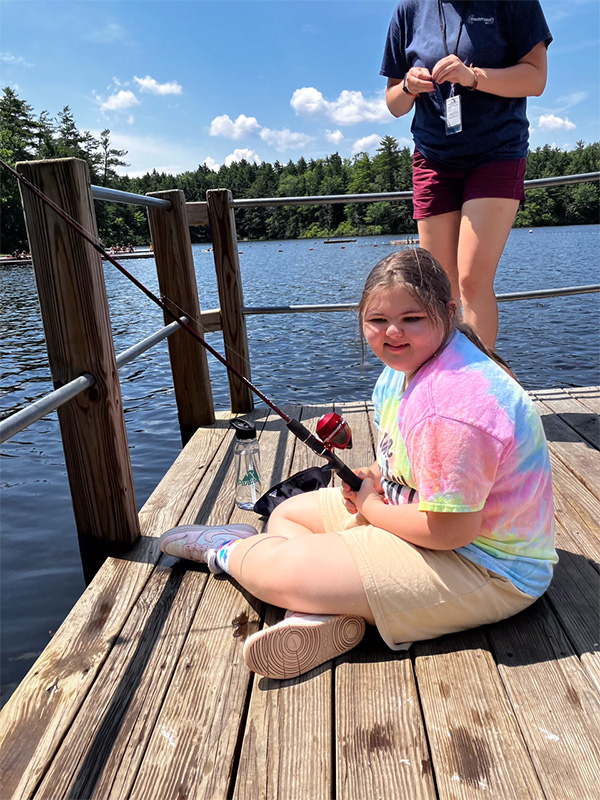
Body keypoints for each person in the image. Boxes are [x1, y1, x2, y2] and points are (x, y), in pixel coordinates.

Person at [159, 249, 557, 681]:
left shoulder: (450, 404)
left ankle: (226, 550)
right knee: (287, 512)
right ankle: (320, 610)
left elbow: (451, 531)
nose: (393, 332)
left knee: (279, 569)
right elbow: (408, 459)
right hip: (419, 518)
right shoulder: (402, 369)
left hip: (484, 565)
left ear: (449, 311)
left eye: (413, 319)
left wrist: (371, 508)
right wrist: (373, 474)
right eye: (377, 320)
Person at [381, 0, 552, 349]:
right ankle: (446, 383)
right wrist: (409, 87)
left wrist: (472, 77)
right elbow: (394, 103)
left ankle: (480, 386)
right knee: (441, 288)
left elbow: (535, 79)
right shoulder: (409, 10)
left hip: (496, 152)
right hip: (433, 157)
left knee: (473, 280)